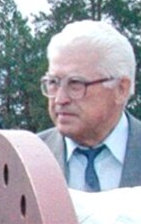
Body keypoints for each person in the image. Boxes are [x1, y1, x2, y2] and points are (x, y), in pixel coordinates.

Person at [38, 20, 141, 190]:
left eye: (76, 83)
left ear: (121, 89)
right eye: (53, 82)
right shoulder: (28, 160)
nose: (59, 99)